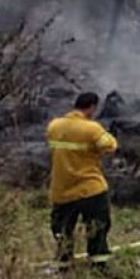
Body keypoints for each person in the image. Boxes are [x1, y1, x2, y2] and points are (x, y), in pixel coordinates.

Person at [46, 91, 118, 265]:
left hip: (62, 189)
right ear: (92, 107)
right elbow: (110, 145)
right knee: (97, 228)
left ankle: (64, 264)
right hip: (90, 188)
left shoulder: (54, 126)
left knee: (62, 230)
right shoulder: (91, 128)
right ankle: (99, 263)